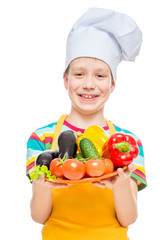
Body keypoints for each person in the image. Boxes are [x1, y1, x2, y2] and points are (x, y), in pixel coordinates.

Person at [26, 8, 147, 240]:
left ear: (112, 85)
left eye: (100, 76)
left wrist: (120, 183)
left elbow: (129, 218)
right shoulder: (41, 137)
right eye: (79, 74)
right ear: (66, 79)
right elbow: (38, 216)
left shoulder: (128, 143)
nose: (89, 84)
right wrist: (43, 184)